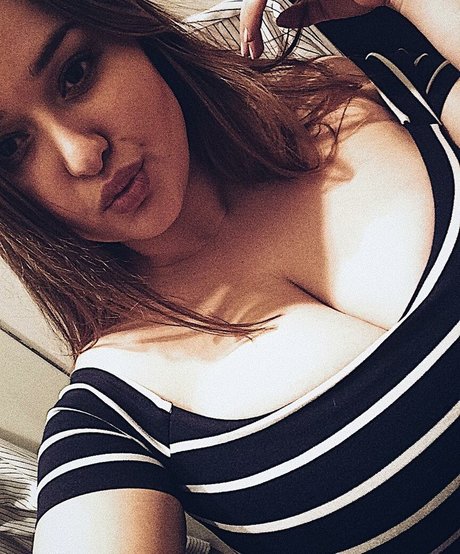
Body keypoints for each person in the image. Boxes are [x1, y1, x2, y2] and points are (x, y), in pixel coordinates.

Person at [0, 0, 458, 552]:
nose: (82, 155)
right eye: (11, 147)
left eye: (74, 74)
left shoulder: (370, 86)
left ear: (131, 30)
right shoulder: (112, 415)